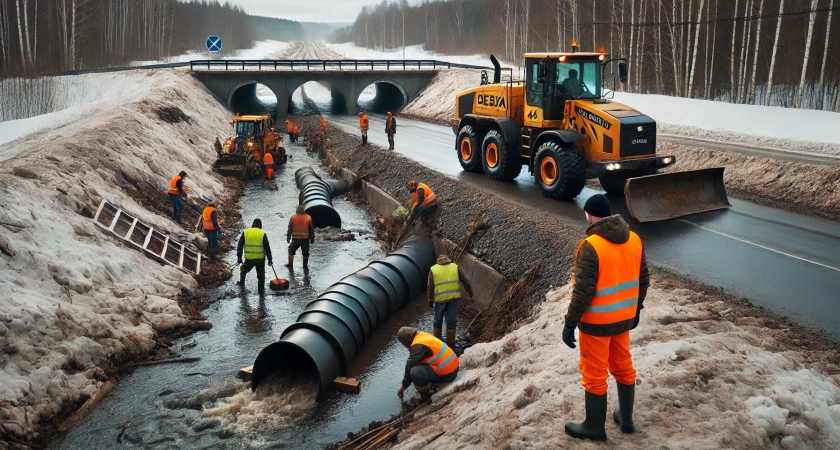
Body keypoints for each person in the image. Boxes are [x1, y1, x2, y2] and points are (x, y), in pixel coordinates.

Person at [562, 194, 649, 441]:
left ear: (589, 216)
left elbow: (583, 292)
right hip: (624, 319)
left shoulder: (590, 246)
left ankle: (594, 426)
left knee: (594, 373)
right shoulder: (634, 239)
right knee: (623, 365)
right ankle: (626, 417)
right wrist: (636, 309)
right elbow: (643, 280)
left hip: (597, 324)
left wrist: (570, 323)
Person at [396, 326, 459, 401]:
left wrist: (403, 387)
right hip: (454, 367)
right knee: (419, 364)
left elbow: (409, 367)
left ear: (404, 341)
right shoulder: (422, 336)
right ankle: (433, 382)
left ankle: (425, 396)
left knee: (414, 372)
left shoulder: (418, 346)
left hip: (448, 374)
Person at [428, 255, 473, 347]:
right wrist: (471, 294)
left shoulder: (434, 269)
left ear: (438, 261)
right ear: (448, 260)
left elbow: (430, 286)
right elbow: (465, 280)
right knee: (451, 321)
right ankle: (451, 345)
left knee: (438, 321)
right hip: (453, 299)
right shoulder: (455, 267)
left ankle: (437, 344)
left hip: (440, 301)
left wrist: (430, 299)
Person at [237, 219, 274, 294]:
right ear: (260, 225)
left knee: (243, 270)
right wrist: (270, 259)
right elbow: (267, 247)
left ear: (253, 224)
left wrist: (239, 257)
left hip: (249, 258)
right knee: (261, 277)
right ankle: (261, 293)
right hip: (260, 259)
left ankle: (241, 286)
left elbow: (240, 245)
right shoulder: (262, 233)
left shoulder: (246, 232)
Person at [286, 205, 315, 270]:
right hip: (305, 239)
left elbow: (290, 228)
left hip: (295, 239)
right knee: (305, 253)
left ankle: (290, 265)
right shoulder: (308, 217)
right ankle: (305, 267)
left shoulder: (293, 217)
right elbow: (311, 229)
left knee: (291, 250)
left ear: (297, 211)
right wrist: (312, 237)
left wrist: (288, 236)